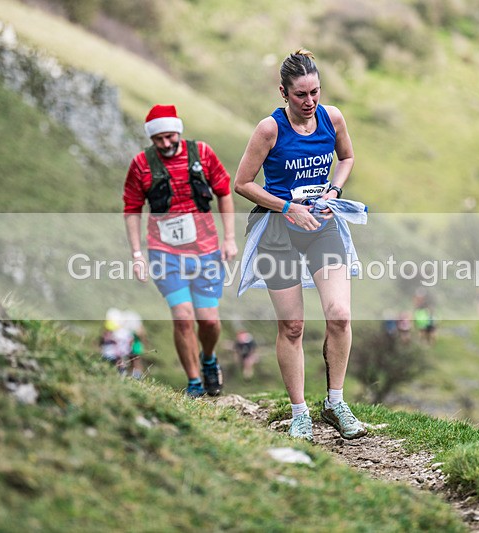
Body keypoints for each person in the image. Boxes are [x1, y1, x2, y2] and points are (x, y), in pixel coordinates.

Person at [234, 49, 367, 441]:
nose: (310, 102)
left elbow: (347, 157)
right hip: (278, 232)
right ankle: (299, 413)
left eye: (315, 92)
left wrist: (334, 189)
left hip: (323, 226)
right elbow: (242, 184)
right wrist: (288, 207)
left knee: (340, 315)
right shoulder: (268, 130)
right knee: (292, 326)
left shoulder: (333, 118)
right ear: (283, 92)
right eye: (300, 95)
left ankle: (335, 403)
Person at [123, 104, 237, 397]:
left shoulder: (202, 153)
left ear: (178, 131)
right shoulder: (140, 164)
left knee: (209, 321)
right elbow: (131, 210)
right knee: (183, 316)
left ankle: (208, 358)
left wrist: (229, 239)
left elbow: (224, 193)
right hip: (165, 254)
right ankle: (194, 382)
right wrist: (137, 255)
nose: (165, 144)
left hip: (207, 250)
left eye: (170, 136)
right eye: (158, 139)